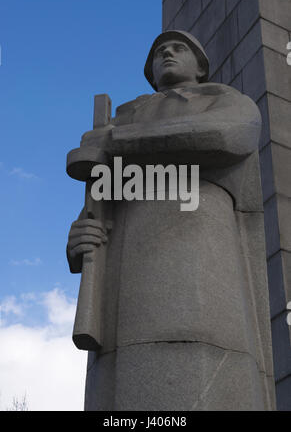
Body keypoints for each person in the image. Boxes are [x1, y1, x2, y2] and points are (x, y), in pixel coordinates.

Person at [67, 31, 275, 410]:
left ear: (200, 67)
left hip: (204, 245)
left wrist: (115, 143)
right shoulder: (127, 114)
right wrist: (81, 236)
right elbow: (104, 200)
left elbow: (229, 136)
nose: (167, 53)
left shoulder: (222, 99)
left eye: (179, 49)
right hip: (126, 267)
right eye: (159, 52)